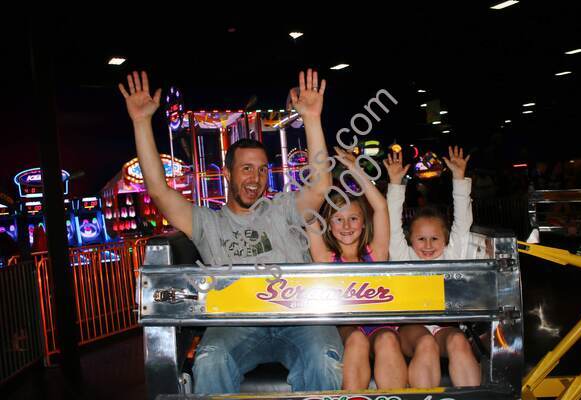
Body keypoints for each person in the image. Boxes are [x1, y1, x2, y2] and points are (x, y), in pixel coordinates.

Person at [118, 69, 342, 394]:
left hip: (299, 317)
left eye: (262, 169)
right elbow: (159, 191)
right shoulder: (207, 222)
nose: (256, 178)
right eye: (246, 168)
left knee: (324, 356)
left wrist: (311, 118)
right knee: (210, 358)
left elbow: (321, 185)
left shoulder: (283, 208)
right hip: (237, 323)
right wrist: (141, 123)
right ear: (227, 174)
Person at [307, 147, 407, 389]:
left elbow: (380, 207)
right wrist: (317, 176)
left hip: (379, 325)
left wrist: (355, 169)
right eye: (338, 219)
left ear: (363, 223)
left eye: (353, 218)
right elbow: (309, 215)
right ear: (329, 225)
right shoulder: (326, 258)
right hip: (347, 329)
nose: (346, 226)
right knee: (356, 339)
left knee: (388, 340)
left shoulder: (376, 254)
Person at [384, 146, 481, 388]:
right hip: (412, 329)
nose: (428, 245)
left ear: (445, 240)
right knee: (426, 343)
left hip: (444, 328)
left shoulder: (451, 254)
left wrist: (459, 178)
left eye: (435, 239)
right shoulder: (403, 255)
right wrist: (395, 184)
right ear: (410, 239)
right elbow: (392, 225)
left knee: (459, 341)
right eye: (421, 239)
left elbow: (462, 223)